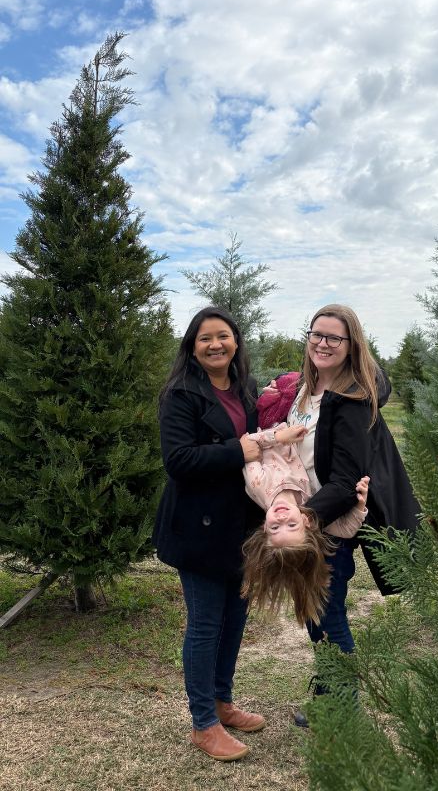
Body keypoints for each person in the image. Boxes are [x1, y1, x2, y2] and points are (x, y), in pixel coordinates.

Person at [285, 303, 421, 726]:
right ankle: (330, 696)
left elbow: (346, 481)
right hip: (302, 521)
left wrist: (304, 517)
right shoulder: (307, 391)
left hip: (325, 527)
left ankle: (340, 708)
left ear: (350, 345)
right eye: (316, 334)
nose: (322, 343)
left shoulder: (351, 401)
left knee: (329, 615)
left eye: (334, 337)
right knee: (314, 613)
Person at [152, 307, 265, 762]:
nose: (215, 345)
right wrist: (235, 450)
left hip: (239, 524)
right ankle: (203, 723)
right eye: (205, 339)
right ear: (192, 347)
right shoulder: (180, 394)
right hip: (197, 526)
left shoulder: (245, 389)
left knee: (235, 620)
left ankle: (222, 701)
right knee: (205, 624)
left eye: (223, 336)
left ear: (236, 341)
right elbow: (178, 461)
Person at [240, 421, 369, 625]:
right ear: (306, 523)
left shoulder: (258, 485)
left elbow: (247, 444)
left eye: (275, 527)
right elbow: (346, 530)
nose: (282, 519)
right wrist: (360, 506)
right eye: (291, 526)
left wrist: (280, 437)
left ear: (264, 527)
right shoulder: (308, 506)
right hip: (294, 430)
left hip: (273, 427)